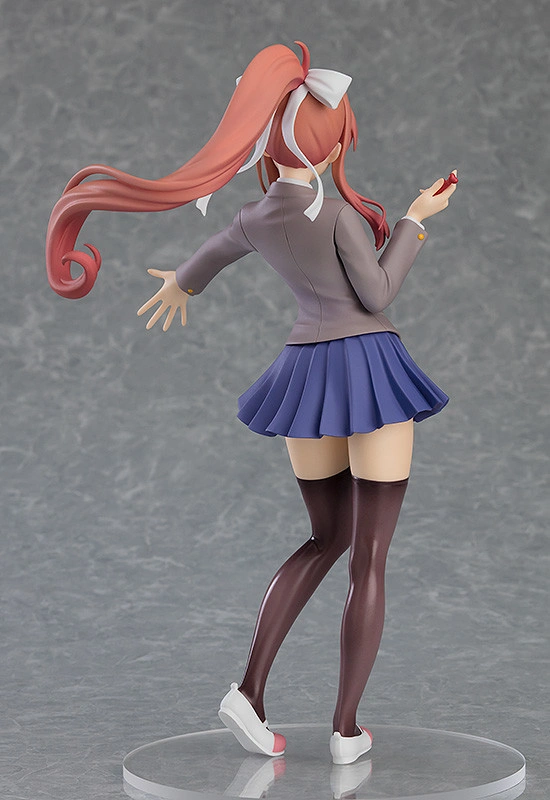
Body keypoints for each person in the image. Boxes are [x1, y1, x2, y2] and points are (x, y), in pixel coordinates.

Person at [46, 42, 457, 765]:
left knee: (322, 539)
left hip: (306, 378)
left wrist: (180, 283)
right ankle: (345, 730)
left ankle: (250, 690)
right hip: (370, 371)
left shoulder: (255, 217)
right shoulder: (340, 218)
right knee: (368, 558)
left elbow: (207, 255)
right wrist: (417, 220)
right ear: (333, 142)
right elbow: (378, 294)